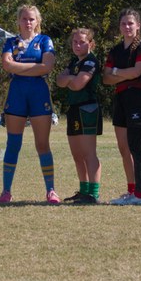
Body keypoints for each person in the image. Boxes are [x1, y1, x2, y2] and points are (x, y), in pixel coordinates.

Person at [0, 4, 60, 204]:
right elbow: (6, 64)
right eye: (24, 19)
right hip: (17, 94)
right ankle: (6, 191)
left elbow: (48, 67)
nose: (28, 23)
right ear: (18, 21)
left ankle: (51, 190)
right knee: (13, 143)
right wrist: (36, 67)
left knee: (42, 144)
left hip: (38, 94)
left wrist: (19, 67)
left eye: (31, 19)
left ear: (37, 21)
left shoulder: (45, 40)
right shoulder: (11, 41)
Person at [102, 9, 141, 205]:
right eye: (124, 23)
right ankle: (131, 191)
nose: (127, 27)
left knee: (135, 148)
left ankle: (139, 196)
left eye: (131, 23)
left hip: (138, 98)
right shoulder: (115, 50)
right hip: (121, 99)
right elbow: (106, 79)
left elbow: (137, 71)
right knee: (124, 148)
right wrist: (123, 73)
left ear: (138, 25)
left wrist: (116, 72)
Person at [56, 28, 102, 204]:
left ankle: (93, 193)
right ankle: (83, 191)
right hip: (74, 109)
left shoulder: (91, 61)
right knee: (77, 154)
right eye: (74, 42)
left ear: (90, 44)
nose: (77, 45)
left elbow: (77, 84)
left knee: (89, 153)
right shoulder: (74, 61)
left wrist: (69, 79)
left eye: (82, 42)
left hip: (88, 109)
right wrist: (69, 79)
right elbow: (59, 81)